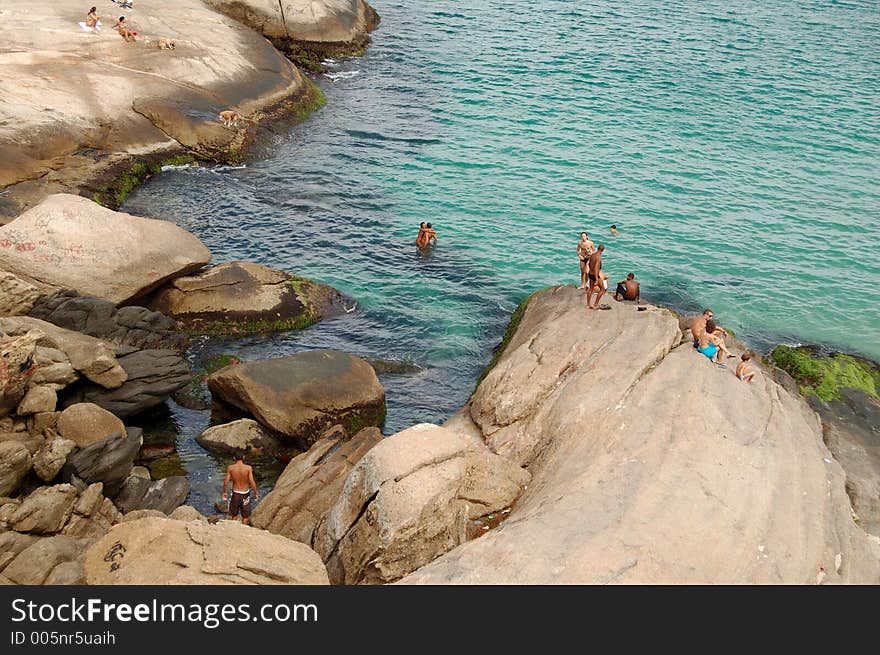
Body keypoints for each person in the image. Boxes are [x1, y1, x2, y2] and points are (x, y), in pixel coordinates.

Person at [222, 450, 258, 525]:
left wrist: (224, 492)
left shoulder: (231, 468)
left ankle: (235, 529)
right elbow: (252, 481)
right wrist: (255, 493)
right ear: (244, 457)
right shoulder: (248, 468)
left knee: (234, 514)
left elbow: (226, 481)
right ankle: (243, 528)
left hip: (235, 494)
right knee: (245, 515)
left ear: (234, 458)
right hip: (245, 494)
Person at [586, 244, 605, 309]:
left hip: (590, 274)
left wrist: (589, 273)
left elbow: (589, 264)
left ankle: (588, 304)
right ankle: (595, 304)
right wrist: (596, 279)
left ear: (598, 248)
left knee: (590, 289)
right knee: (602, 289)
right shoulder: (598, 257)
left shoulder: (592, 255)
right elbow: (596, 269)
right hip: (595, 275)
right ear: (603, 250)